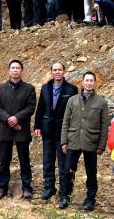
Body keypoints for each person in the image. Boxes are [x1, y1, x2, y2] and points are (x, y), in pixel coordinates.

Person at [56, 71, 108, 211]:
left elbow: (104, 125)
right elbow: (65, 122)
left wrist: (102, 145)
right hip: (73, 140)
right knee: (68, 171)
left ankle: (90, 199)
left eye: (92, 80)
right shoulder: (72, 100)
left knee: (91, 172)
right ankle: (65, 197)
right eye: (87, 80)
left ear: (95, 83)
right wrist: (63, 141)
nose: (89, 83)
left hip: (91, 142)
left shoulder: (101, 102)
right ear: (82, 82)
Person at [34, 62, 78, 200]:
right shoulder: (46, 88)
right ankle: (49, 188)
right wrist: (37, 126)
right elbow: (40, 108)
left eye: (59, 70)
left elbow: (74, 113)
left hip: (63, 133)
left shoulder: (72, 90)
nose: (57, 72)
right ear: (51, 72)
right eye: (54, 70)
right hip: (47, 130)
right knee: (48, 162)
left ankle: (65, 192)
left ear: (64, 72)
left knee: (64, 164)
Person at [0, 59, 37, 200]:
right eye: (13, 67)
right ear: (9, 71)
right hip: (5, 130)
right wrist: (9, 119)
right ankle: (2, 187)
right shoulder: (0, 89)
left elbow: (30, 108)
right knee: (4, 161)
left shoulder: (29, 89)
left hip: (21, 130)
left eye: (18, 68)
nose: (15, 70)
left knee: (24, 160)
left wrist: (17, 118)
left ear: (22, 71)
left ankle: (27, 187)